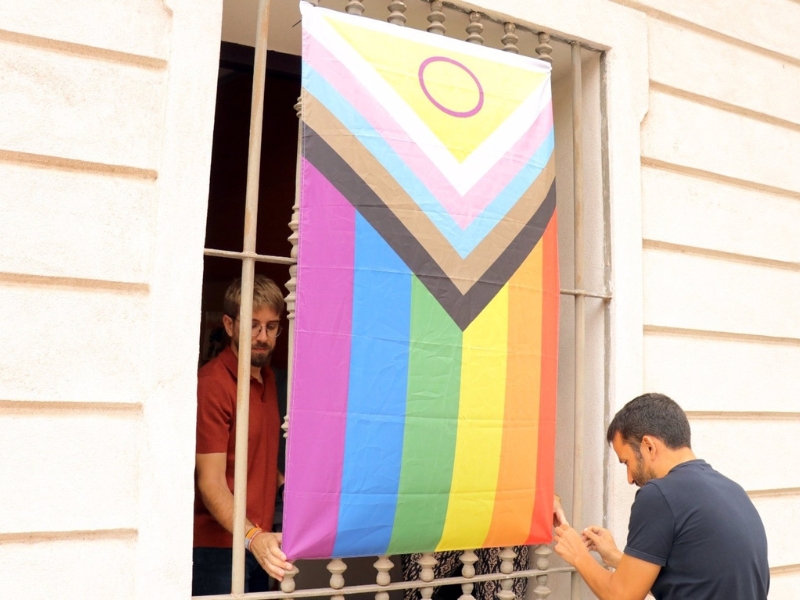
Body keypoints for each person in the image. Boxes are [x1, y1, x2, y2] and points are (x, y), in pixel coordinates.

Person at [553, 393, 769, 600]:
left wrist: (578, 554)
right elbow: (696, 583)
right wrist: (618, 558)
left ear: (648, 446)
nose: (629, 478)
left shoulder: (658, 495)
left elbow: (620, 596)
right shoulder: (733, 491)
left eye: (626, 462)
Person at [192, 276, 293, 595]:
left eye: (271, 326)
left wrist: (287, 487)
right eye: (252, 325)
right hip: (216, 547)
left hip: (260, 540)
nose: (262, 337)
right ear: (229, 324)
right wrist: (253, 537)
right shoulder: (213, 384)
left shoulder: (268, 380)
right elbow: (211, 481)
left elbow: (252, 458)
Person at [402, 496, 567, 600]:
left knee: (504, 591)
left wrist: (546, 494)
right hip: (443, 506)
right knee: (420, 588)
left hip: (502, 507)